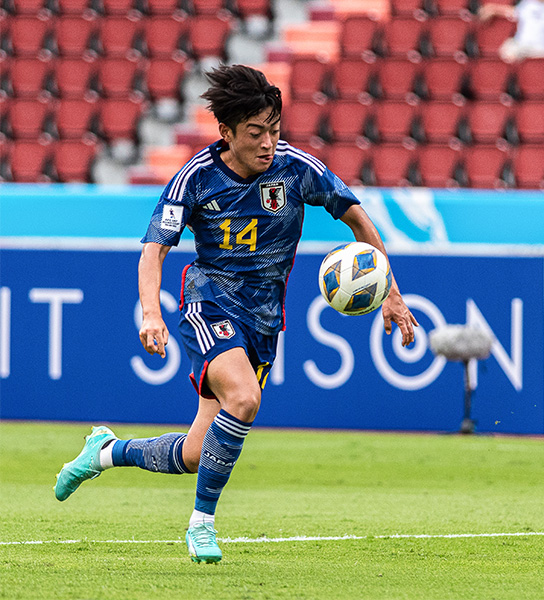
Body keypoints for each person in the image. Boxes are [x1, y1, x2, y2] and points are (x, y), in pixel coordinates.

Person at [53, 65, 420, 564]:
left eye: (274, 130)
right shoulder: (196, 178)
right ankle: (201, 525)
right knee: (244, 399)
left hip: (264, 322)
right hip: (210, 302)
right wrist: (150, 314)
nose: (269, 143)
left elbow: (357, 218)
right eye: (256, 133)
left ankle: (105, 451)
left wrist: (392, 293)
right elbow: (154, 250)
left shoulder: (297, 169)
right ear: (226, 133)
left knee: (194, 453)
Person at [478, 0, 544, 62]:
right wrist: (492, 8)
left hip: (543, 49)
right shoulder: (527, 4)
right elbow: (511, 11)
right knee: (505, 55)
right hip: (521, 45)